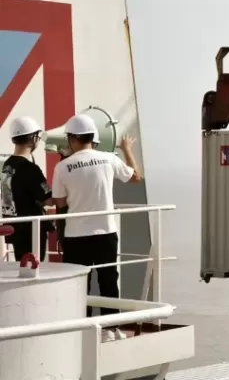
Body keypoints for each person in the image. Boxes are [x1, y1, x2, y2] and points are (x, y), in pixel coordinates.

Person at [50, 113, 143, 342]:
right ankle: (112, 330)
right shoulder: (108, 159)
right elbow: (136, 177)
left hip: (75, 235)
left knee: (80, 284)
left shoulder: (63, 167)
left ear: (72, 138)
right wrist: (126, 149)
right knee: (109, 280)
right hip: (105, 232)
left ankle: (84, 331)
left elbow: (60, 203)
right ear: (93, 137)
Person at [2, 116, 54, 261]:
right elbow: (49, 200)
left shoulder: (7, 165)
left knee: (21, 266)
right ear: (33, 138)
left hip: (15, 226)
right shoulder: (30, 169)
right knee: (35, 267)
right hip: (32, 229)